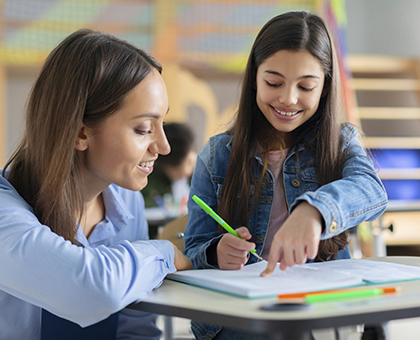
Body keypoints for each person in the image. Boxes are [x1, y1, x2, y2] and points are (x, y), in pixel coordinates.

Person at [183, 11, 388, 340]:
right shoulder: (217, 155)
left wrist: (315, 211)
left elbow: (371, 190)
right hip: (241, 319)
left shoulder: (341, 142)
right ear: (254, 78)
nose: (288, 99)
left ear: (325, 87)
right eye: (273, 83)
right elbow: (192, 249)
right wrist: (215, 252)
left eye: (306, 86)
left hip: (320, 311)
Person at [0, 28, 192, 340]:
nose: (164, 146)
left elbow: (134, 326)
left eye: (162, 124)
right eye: (144, 128)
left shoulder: (125, 201)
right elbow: (90, 288)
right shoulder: (5, 213)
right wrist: (167, 252)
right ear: (80, 133)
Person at [142, 122, 196, 217]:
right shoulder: (147, 182)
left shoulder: (202, 176)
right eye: (177, 169)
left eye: (190, 162)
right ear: (163, 166)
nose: (188, 171)